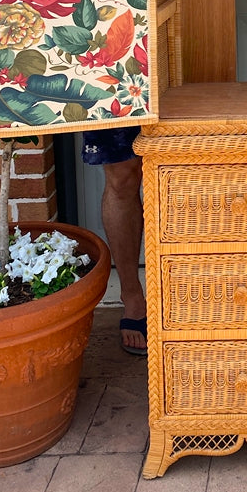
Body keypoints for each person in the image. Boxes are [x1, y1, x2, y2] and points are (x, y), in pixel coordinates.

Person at [81, 126, 147, 357]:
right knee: (122, 177)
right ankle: (132, 296)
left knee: (190, 162)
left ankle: (188, 291)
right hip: (116, 89)